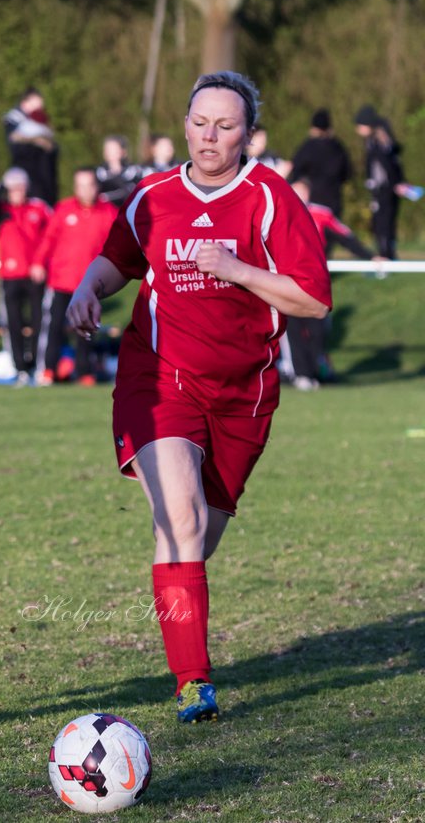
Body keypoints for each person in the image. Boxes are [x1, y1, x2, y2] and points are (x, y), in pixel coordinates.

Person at [67, 71, 331, 723]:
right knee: (179, 519)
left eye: (227, 125)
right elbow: (119, 259)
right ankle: (193, 683)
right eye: (201, 122)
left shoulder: (269, 199)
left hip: (245, 395)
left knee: (194, 539)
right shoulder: (152, 195)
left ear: (249, 134)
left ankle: (178, 618)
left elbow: (314, 298)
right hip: (159, 375)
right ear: (184, 124)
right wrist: (89, 288)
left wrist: (237, 269)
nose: (211, 136)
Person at [284, 178, 380, 391]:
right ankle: (301, 375)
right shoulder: (278, 211)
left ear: (308, 194)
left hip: (315, 283)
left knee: (317, 330)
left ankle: (317, 371)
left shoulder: (321, 214)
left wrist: (371, 257)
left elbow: (347, 238)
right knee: (293, 329)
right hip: (287, 281)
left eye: (302, 192)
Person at [34, 168, 117, 386]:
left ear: (96, 187)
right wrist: (37, 263)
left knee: (87, 327)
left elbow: (117, 245)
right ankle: (48, 370)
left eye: (89, 185)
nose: (85, 190)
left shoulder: (107, 212)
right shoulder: (63, 209)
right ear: (74, 188)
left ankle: (84, 372)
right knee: (53, 327)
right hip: (61, 280)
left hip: (90, 283)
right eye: (80, 185)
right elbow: (48, 239)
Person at [0, 167, 52, 384]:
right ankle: (19, 368)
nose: (17, 191)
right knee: (13, 321)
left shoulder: (38, 208)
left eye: (21, 186)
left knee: (40, 320)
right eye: (13, 187)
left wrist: (40, 263)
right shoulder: (2, 210)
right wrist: (1, 185)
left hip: (35, 274)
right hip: (10, 275)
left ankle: (40, 366)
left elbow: (51, 236)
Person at [354, 105, 406, 260]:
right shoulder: (381, 140)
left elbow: (387, 167)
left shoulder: (376, 143)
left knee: (382, 225)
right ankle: (388, 256)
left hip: (384, 190)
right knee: (385, 224)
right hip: (386, 189)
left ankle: (385, 258)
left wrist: (395, 184)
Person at [288, 108, 353, 218]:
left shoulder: (307, 147)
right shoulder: (338, 148)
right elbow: (347, 174)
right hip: (333, 202)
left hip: (311, 203)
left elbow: (295, 171)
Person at [3, 88, 60, 205]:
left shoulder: (41, 120)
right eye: (36, 104)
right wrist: (38, 140)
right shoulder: (14, 120)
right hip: (27, 173)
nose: (39, 108)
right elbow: (14, 138)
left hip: (44, 175)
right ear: (25, 103)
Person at [95, 135, 145, 207]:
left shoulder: (135, 172)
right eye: (107, 149)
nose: (110, 152)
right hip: (107, 214)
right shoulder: (97, 174)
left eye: (114, 149)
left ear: (123, 152)